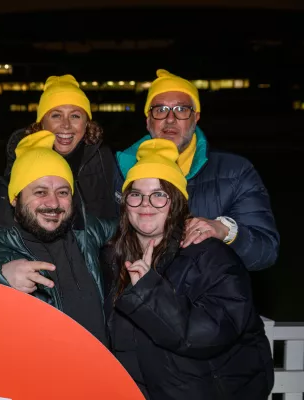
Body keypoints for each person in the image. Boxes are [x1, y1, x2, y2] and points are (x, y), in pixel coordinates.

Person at [104, 138, 274, 399]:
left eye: (159, 194)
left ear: (177, 203)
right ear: (125, 205)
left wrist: (149, 292)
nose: (146, 204)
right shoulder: (114, 257)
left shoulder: (211, 256)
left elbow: (206, 335)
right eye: (136, 194)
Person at [115, 69, 279, 271]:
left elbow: (265, 252)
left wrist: (225, 231)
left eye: (182, 109)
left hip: (208, 299)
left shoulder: (235, 172)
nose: (170, 119)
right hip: (138, 297)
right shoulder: (120, 170)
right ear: (148, 119)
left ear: (196, 117)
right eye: (160, 109)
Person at [0, 130, 116, 345]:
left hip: (101, 373)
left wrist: (179, 224)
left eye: (63, 192)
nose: (53, 203)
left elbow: (130, 227)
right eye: (40, 192)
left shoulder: (84, 231)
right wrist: (0, 279)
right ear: (15, 199)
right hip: (39, 377)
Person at [4, 75, 117, 219]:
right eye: (56, 115)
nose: (66, 125)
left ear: (86, 123)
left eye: (75, 116)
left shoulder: (102, 158)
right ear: (41, 123)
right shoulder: (22, 159)